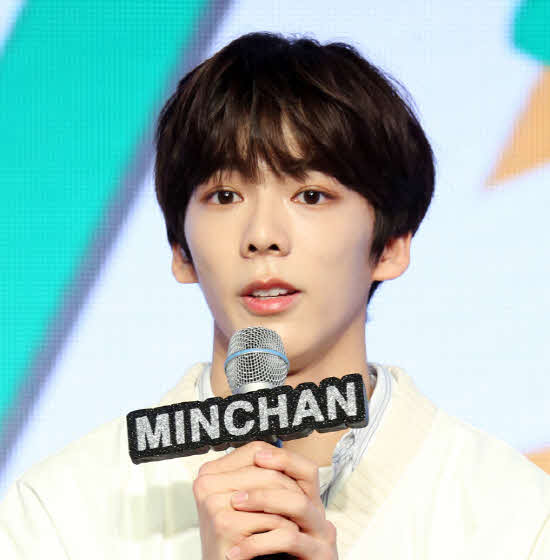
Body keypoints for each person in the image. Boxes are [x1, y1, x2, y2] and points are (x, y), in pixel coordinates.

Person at [1, 31, 549, 559]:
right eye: (225, 195)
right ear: (181, 250)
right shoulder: (59, 514)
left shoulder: (516, 517)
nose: (263, 235)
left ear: (391, 245)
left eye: (310, 195)